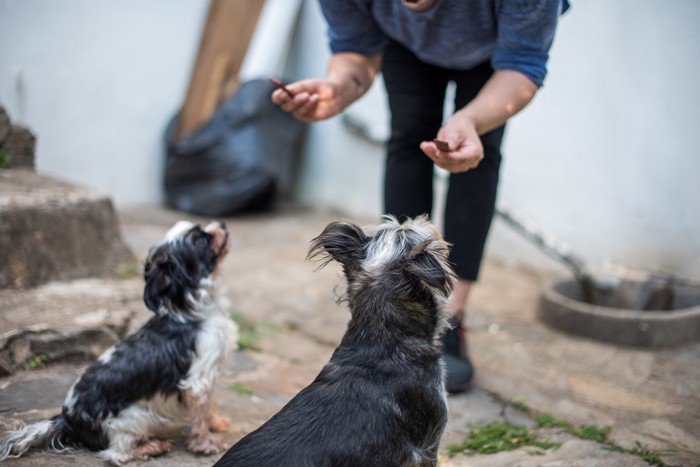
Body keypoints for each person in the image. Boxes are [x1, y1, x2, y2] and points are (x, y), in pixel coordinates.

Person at [271, 0, 568, 392]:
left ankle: (449, 318)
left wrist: (470, 120)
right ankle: (397, 307)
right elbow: (356, 51)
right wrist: (337, 88)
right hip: (405, 48)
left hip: (493, 49)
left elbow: (522, 64)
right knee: (409, 141)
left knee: (477, 155)